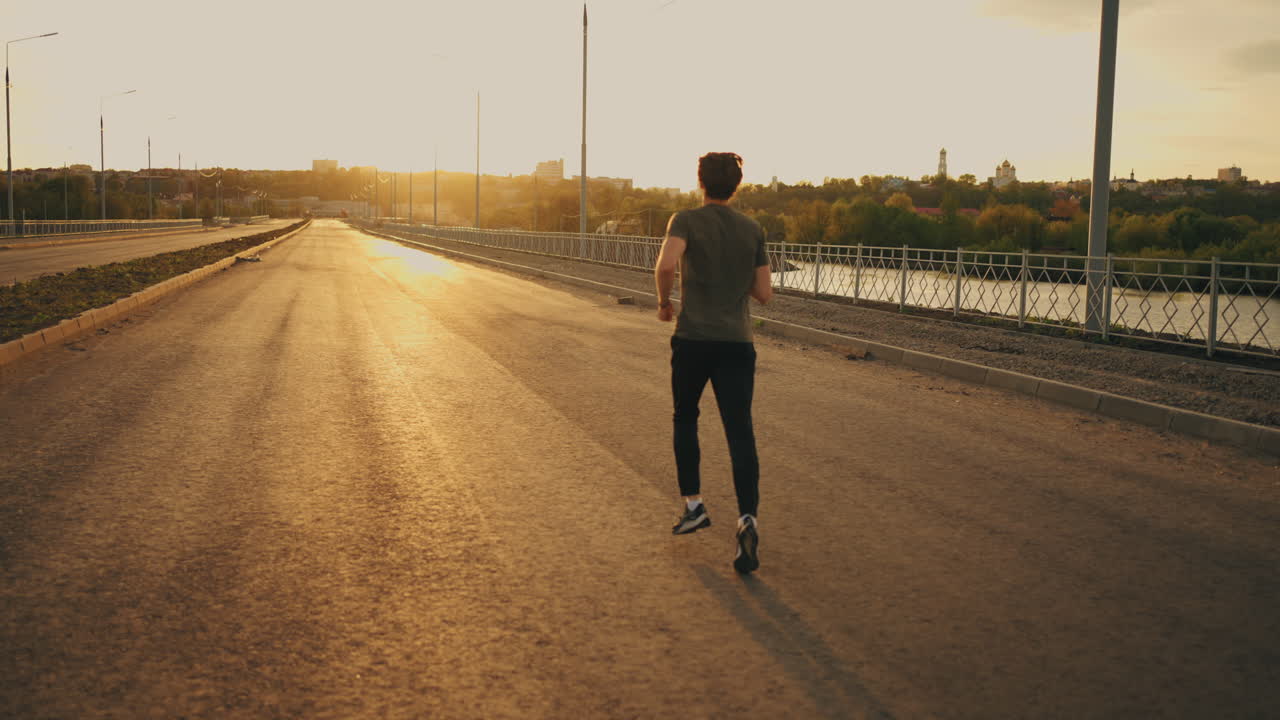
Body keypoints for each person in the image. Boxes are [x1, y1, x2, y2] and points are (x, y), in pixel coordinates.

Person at [654, 151, 772, 574]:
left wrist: (665, 302)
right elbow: (764, 293)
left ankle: (694, 506)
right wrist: (733, 275)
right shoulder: (752, 229)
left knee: (685, 417)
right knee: (740, 431)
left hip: (693, 340)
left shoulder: (685, 220)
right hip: (737, 343)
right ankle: (748, 519)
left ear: (700, 182)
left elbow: (667, 265)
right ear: (736, 186)